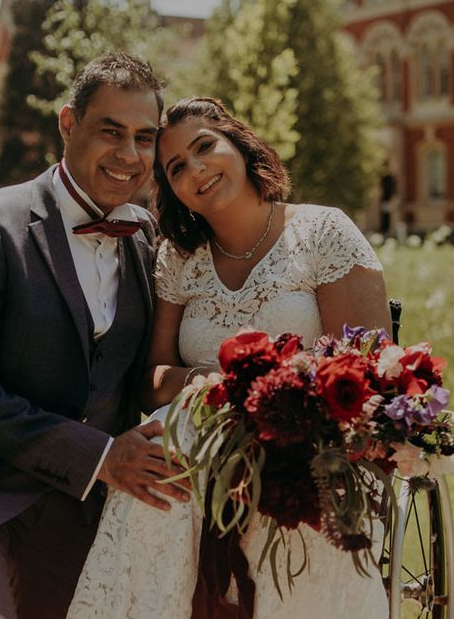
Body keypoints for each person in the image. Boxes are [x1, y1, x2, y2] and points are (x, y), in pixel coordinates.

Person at [0, 52, 191, 619]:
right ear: (68, 124)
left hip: (76, 512)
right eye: (111, 131)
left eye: (145, 138)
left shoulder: (147, 239)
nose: (129, 155)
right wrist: (101, 456)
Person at [68, 97, 392, 619]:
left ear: (238, 143)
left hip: (309, 446)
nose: (196, 169)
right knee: (157, 468)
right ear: (171, 189)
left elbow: (365, 374)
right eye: (175, 167)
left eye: (204, 146)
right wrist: (214, 382)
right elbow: (152, 381)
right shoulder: (178, 257)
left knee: (279, 497)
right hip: (198, 441)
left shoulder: (321, 233)